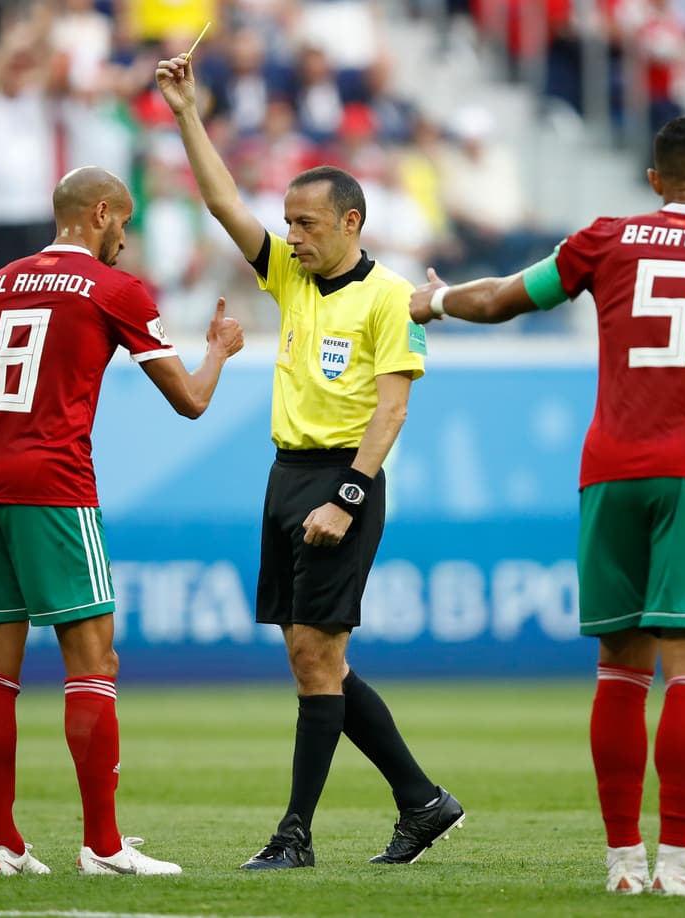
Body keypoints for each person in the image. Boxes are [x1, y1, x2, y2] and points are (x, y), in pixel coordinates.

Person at [409, 116, 685, 897]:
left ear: (652, 181)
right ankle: (676, 864)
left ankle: (622, 865)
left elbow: (505, 299)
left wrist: (433, 302)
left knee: (619, 671)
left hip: (610, 471)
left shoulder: (604, 239)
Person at [156, 52, 465, 871]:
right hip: (286, 475)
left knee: (315, 659)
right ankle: (424, 801)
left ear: (352, 223)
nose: (291, 236)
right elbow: (223, 202)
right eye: (288, 222)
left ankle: (295, 835)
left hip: (340, 477)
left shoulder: (389, 299)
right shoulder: (292, 280)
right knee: (312, 656)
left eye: (307, 224)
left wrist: (349, 497)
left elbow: (393, 407)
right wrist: (188, 111)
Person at [0, 165, 244, 878]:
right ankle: (103, 848)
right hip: (54, 484)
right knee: (93, 662)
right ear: (102, 212)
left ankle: (4, 844)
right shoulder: (115, 290)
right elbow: (191, 402)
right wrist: (220, 350)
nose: (126, 237)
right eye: (126, 222)